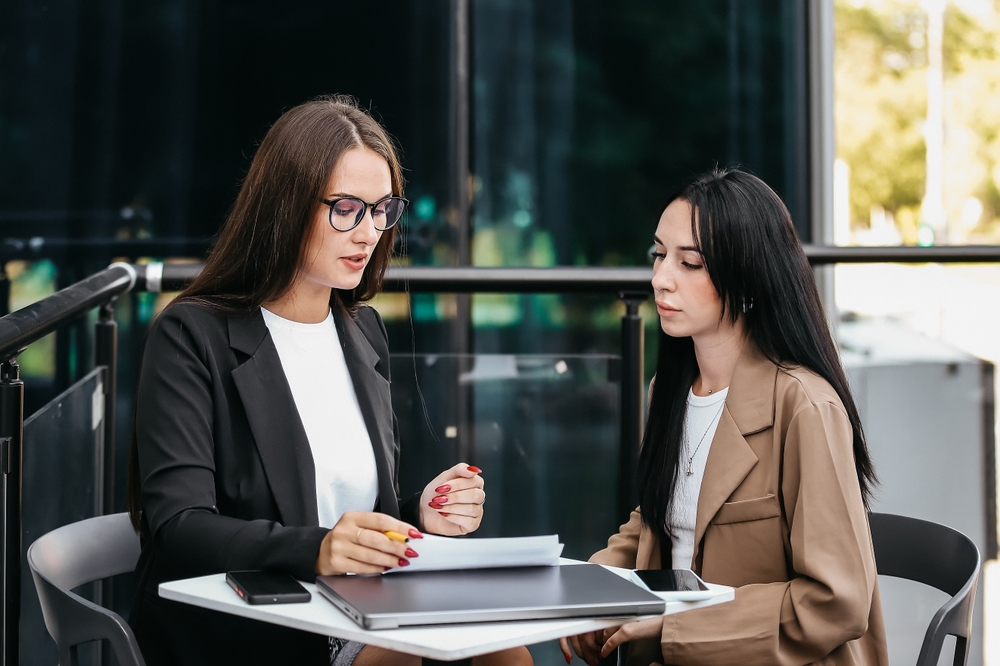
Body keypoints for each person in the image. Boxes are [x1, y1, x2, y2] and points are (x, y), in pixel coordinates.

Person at [126, 96, 532, 666]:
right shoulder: (192, 335)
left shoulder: (361, 330)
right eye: (347, 208)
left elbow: (356, 510)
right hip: (258, 625)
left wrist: (420, 515)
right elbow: (179, 527)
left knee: (502, 648)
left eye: (382, 209)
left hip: (360, 610)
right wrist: (319, 550)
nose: (369, 232)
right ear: (286, 206)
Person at [560, 168, 887, 666]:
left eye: (690, 263)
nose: (661, 278)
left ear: (748, 278)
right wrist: (586, 596)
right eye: (659, 255)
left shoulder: (804, 405)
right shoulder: (666, 393)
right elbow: (654, 525)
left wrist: (679, 629)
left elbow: (836, 600)